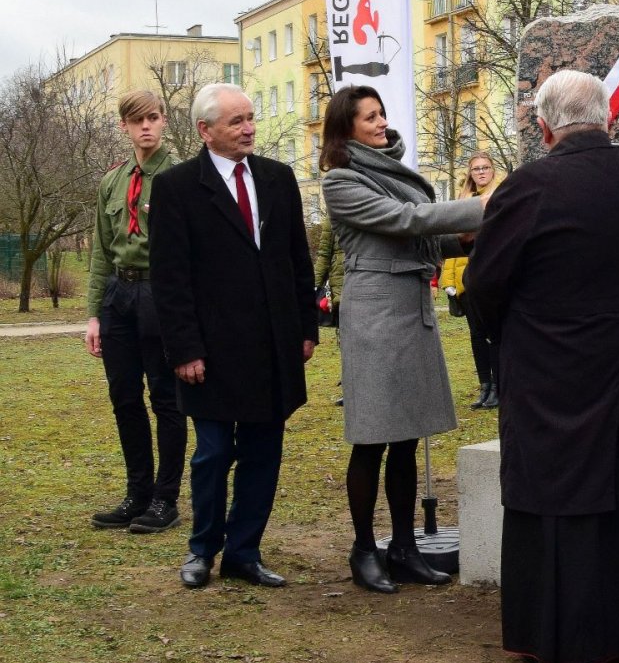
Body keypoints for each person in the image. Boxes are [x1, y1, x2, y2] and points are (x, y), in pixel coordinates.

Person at [467, 69, 619, 663]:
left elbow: (483, 285)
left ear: (543, 127)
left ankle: (574, 638)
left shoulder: (528, 188)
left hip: (556, 372)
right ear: (610, 120)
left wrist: (517, 332)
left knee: (565, 496)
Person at [149, 84, 318, 589]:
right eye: (236, 122)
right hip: (211, 351)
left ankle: (244, 551)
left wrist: (305, 329)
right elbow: (170, 277)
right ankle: (202, 549)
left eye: (250, 118)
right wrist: (184, 349)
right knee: (214, 453)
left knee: (264, 452)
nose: (248, 129)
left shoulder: (277, 178)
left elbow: (296, 262)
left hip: (271, 345)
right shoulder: (178, 187)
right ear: (206, 131)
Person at [320, 85, 485, 594]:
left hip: (411, 306)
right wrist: (481, 206)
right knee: (371, 436)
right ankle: (364, 549)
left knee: (408, 436)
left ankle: (405, 548)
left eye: (382, 113)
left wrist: (464, 237)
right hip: (373, 312)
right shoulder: (341, 180)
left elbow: (424, 237)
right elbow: (402, 221)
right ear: (346, 128)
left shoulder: (395, 172)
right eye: (369, 116)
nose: (381, 122)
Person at [87, 90, 187, 534]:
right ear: (125, 127)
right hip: (118, 296)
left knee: (165, 398)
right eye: (136, 120)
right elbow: (99, 252)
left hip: (160, 295)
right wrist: (94, 315)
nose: (145, 126)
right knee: (124, 397)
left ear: (164, 121)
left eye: (153, 117)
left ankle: (166, 500)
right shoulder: (113, 181)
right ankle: (137, 494)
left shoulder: (181, 180)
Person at [442, 152, 503, 411]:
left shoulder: (499, 197)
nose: (480, 172)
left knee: (494, 336)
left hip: (489, 277)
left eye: (485, 167)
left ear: (492, 170)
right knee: (476, 336)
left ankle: (500, 386)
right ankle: (485, 386)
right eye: (476, 169)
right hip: (466, 281)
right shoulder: (464, 201)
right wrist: (449, 281)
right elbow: (454, 248)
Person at [313, 213, 344, 405]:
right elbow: (324, 254)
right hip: (341, 290)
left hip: (366, 286)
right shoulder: (333, 219)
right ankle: (351, 389)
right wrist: (314, 285)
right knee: (346, 341)